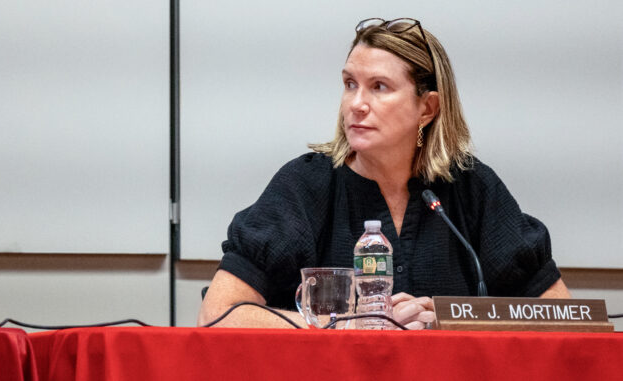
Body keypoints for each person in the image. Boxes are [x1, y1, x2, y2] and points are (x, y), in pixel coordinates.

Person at [198, 17, 571, 329]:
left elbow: (562, 318)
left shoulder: (473, 189)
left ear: (427, 108)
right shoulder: (305, 187)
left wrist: (449, 321)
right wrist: (346, 326)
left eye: (379, 87)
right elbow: (218, 315)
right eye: (349, 84)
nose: (356, 104)